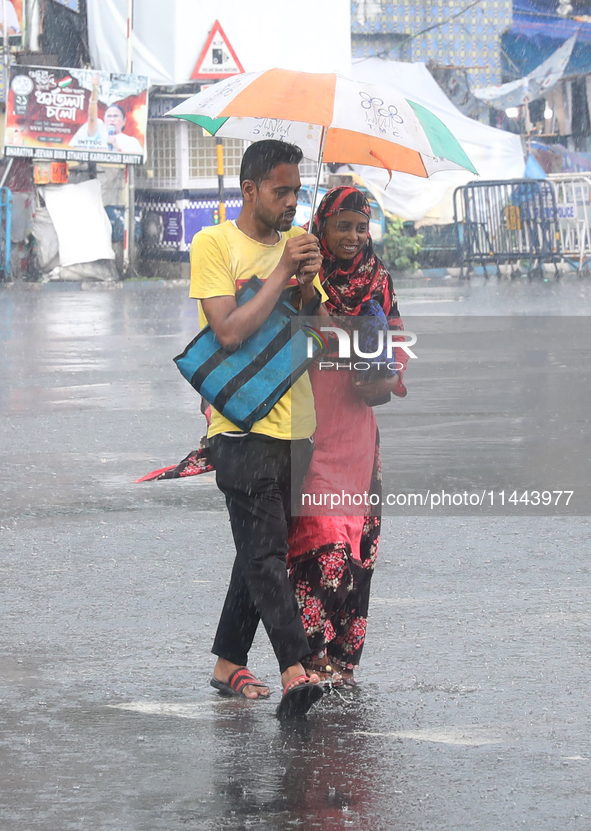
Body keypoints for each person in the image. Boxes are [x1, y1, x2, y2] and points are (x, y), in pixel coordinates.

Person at [190, 140, 328, 718]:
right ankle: (296, 667)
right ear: (250, 190)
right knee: (267, 552)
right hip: (240, 426)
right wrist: (279, 271)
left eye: (297, 190)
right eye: (281, 191)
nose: (292, 202)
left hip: (298, 425)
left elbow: (319, 338)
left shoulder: (297, 254)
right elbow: (228, 331)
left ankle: (227, 663)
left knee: (259, 549)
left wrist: (307, 285)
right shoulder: (215, 243)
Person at [287, 186, 408, 687]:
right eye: (344, 225)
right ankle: (307, 657)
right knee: (320, 543)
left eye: (363, 226)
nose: (355, 236)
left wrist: (376, 362)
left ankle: (341, 660)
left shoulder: (377, 283)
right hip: (309, 427)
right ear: (323, 225)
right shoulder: (299, 273)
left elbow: (391, 367)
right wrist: (305, 290)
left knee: (357, 550)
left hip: (357, 433)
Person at [70, 73, 143, 155]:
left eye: (116, 116)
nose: (112, 119)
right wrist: (95, 90)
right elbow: (92, 117)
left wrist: (117, 147)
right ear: (104, 119)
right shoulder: (99, 132)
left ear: (124, 121)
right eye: (109, 116)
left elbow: (135, 161)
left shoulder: (131, 142)